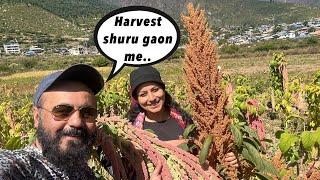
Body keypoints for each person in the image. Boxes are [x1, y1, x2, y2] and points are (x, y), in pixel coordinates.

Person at [128, 65, 238, 167]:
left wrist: (227, 157)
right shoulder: (134, 131)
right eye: (143, 94)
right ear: (137, 99)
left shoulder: (183, 120)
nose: (151, 98)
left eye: (155, 90)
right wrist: (176, 144)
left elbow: (204, 154)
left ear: (163, 90)